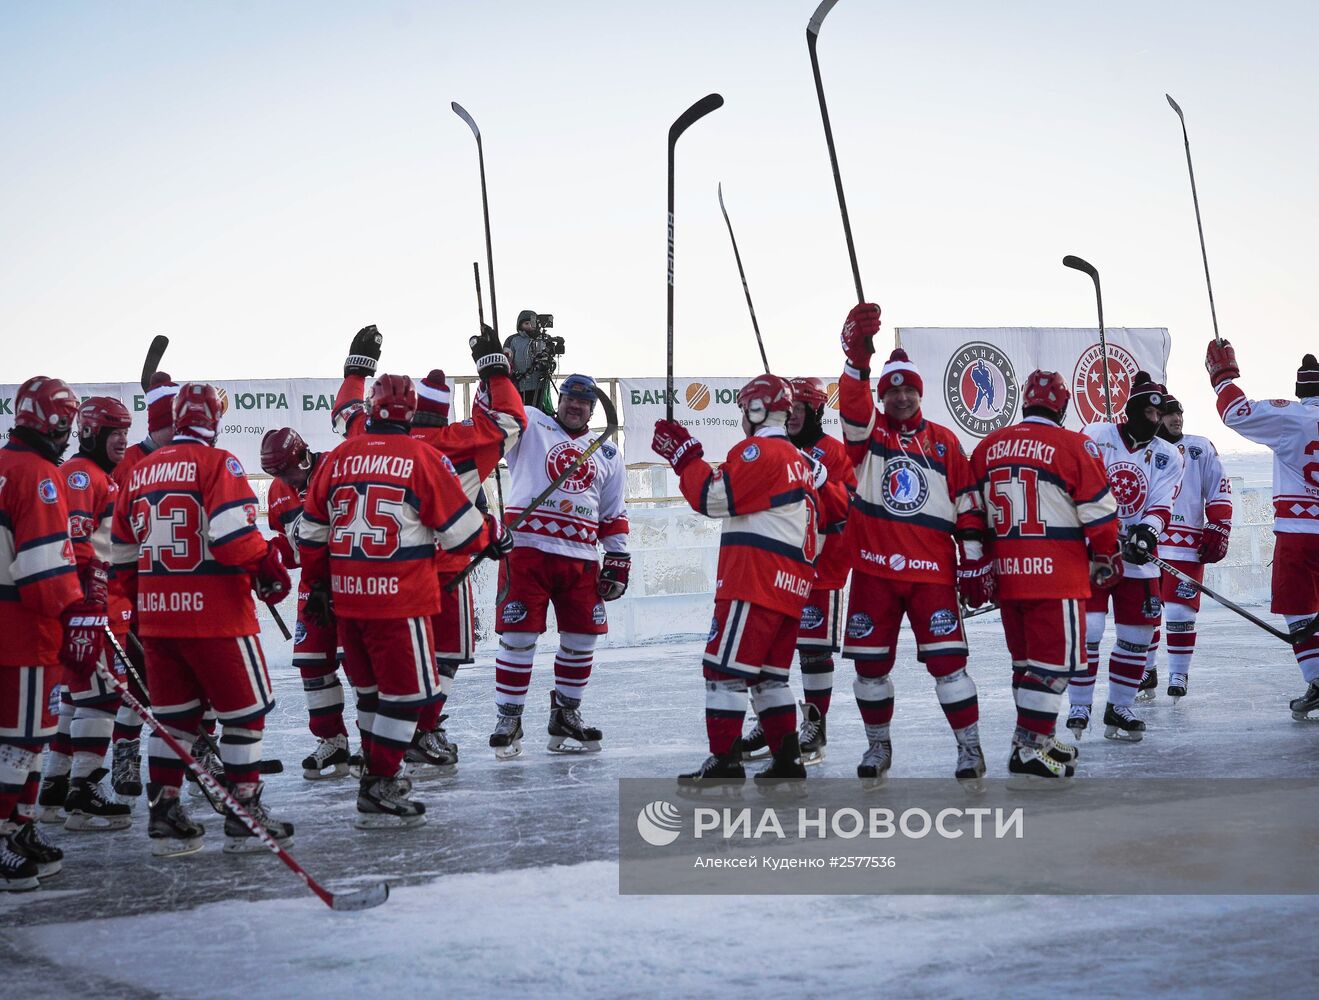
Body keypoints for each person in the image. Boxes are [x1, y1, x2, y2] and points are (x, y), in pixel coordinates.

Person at [300, 373, 508, 829]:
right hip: (399, 600)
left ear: (371, 411)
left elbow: (310, 533)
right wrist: (494, 534)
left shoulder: (338, 457)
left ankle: (373, 773)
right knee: (408, 696)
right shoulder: (421, 457)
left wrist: (318, 583)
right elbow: (462, 532)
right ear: (410, 413)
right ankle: (380, 782)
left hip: (348, 601)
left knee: (371, 695)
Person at [331, 325, 527, 773]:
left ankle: (384, 743)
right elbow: (513, 420)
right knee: (444, 660)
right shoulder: (463, 443)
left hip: (382, 573)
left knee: (381, 672)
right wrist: (495, 370)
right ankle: (423, 730)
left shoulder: (364, 441)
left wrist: (355, 370)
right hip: (445, 570)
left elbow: (344, 414)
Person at [111, 383, 293, 857]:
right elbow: (234, 535)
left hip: (157, 620)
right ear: (213, 421)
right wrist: (267, 565)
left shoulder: (140, 470)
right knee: (245, 715)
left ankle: (165, 812)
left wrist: (144, 601)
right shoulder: (219, 462)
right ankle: (244, 810)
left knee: (174, 721)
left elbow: (122, 556)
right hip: (217, 616)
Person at [836, 304, 988, 790]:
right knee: (870, 667)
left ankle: (970, 748)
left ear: (920, 392)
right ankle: (878, 745)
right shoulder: (868, 437)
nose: (900, 396)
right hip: (874, 574)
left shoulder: (944, 442)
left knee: (949, 667)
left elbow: (968, 505)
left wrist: (975, 564)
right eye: (892, 389)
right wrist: (857, 363)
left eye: (908, 388)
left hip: (932, 576)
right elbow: (855, 407)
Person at [653, 374, 822, 787]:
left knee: (723, 672)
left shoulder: (760, 451)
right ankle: (788, 759)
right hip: (790, 586)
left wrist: (685, 458)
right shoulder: (801, 460)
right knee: (769, 678)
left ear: (756, 409)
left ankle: (725, 759)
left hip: (754, 581)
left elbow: (713, 498)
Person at [966, 370, 1120, 785]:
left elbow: (969, 511)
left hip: (1008, 574)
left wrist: (976, 562)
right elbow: (1099, 513)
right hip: (1056, 573)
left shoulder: (988, 447)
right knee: (1056, 666)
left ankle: (1036, 738)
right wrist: (1106, 555)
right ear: (1063, 406)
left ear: (1023, 405)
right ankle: (1029, 749)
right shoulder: (1074, 445)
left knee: (1026, 666)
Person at [491, 372, 628, 759]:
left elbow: (613, 513)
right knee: (518, 637)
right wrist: (496, 374)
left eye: (584, 402)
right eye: (570, 397)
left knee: (583, 638)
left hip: (581, 558)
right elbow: (497, 413)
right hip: (527, 551)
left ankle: (566, 713)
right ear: (560, 397)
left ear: (592, 409)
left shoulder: (607, 452)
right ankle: (509, 717)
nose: (575, 406)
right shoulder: (532, 421)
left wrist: (617, 557)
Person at [0, 376, 98, 890]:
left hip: (9, 628)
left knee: (21, 740)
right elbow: (44, 575)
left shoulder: (3, 464)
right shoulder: (38, 474)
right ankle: (4, 836)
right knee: (22, 740)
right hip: (23, 635)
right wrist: (77, 615)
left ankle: (20, 826)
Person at [740, 376, 854, 766]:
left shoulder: (834, 453)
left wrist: (821, 479)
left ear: (816, 412)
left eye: (800, 411)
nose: (792, 417)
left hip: (822, 569)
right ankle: (770, 723)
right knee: (769, 652)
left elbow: (848, 509)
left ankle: (814, 727)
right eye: (790, 410)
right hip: (778, 566)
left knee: (813, 651)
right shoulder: (776, 449)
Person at [1067, 373, 1183, 742]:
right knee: (1091, 631)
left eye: (1158, 412)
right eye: (1146, 410)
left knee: (1137, 634)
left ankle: (1119, 705)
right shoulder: (1096, 435)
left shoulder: (1168, 455)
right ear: (1131, 409)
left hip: (1140, 554)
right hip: (1093, 553)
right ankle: (1079, 704)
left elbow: (1162, 504)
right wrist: (1095, 526)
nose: (1153, 418)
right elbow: (1075, 485)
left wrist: (1147, 532)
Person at [1206, 344, 1319, 719]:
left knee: (1297, 608)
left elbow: (1236, 412)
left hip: (1299, 532)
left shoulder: (1293, 417)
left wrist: (1224, 377)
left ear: (1301, 392)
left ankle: (1317, 678)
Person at [39, 397, 135, 831]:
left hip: (98, 604)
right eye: (115, 433)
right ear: (92, 433)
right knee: (101, 697)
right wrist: (86, 606)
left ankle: (55, 789)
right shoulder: (81, 474)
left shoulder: (99, 475)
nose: (122, 441)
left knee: (78, 698)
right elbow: (75, 545)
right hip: (90, 608)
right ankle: (84, 792)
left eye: (125, 433)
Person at [261, 427, 353, 780]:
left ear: (302, 456)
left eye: (284, 470)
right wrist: (264, 556)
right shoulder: (277, 490)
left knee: (360, 667)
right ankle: (332, 741)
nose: (282, 479)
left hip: (350, 583)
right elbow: (291, 547)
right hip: (312, 588)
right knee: (313, 666)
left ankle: (380, 744)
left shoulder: (337, 470)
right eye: (274, 473)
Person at [106, 371, 179, 799]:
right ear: (155, 426)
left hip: (177, 589)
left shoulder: (184, 460)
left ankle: (201, 754)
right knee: (136, 679)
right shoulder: (126, 463)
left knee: (189, 677)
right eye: (171, 426)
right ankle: (126, 752)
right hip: (132, 588)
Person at [1139, 391, 1232, 702]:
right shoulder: (1142, 447)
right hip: (1146, 544)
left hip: (1185, 545)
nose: (1176, 418)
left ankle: (1178, 672)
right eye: (1168, 413)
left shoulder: (1199, 446)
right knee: (1146, 613)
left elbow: (1218, 486)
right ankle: (1146, 670)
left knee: (1180, 611)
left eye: (1179, 413)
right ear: (1154, 417)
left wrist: (1218, 525)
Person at [502, 309, 564, 412]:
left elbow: (551, 361)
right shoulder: (513, 340)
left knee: (540, 415)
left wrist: (548, 364)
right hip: (519, 386)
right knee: (521, 414)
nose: (530, 326)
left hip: (539, 387)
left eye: (532, 323)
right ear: (520, 325)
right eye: (526, 323)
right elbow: (506, 361)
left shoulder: (544, 339)